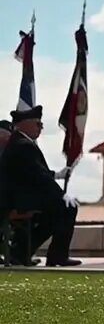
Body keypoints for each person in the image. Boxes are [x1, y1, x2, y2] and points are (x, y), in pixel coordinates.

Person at [0, 106, 81, 267]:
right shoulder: (23, 145)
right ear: (24, 124)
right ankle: (57, 255)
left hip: (21, 198)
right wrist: (61, 195)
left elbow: (35, 172)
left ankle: (21, 252)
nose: (41, 127)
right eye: (37, 124)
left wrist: (57, 175)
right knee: (67, 209)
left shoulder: (21, 143)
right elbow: (39, 176)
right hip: (18, 201)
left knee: (52, 216)